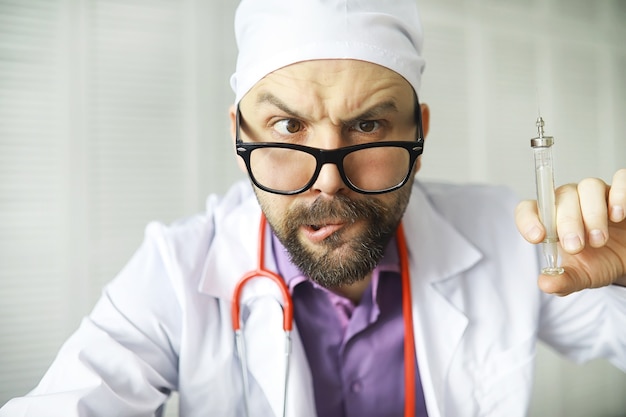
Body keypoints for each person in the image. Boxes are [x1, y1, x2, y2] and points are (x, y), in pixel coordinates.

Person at [2, 0, 625, 416]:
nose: (328, 179)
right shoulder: (175, 269)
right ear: (238, 133)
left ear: (419, 132)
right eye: (287, 125)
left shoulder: (512, 238)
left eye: (369, 124)